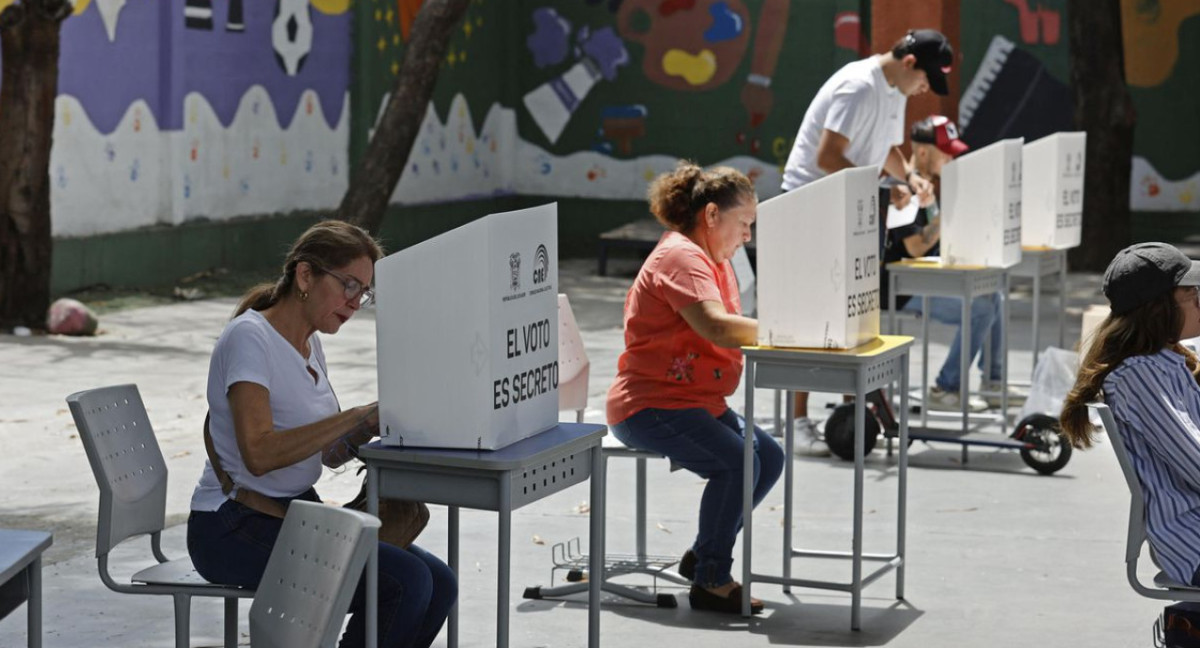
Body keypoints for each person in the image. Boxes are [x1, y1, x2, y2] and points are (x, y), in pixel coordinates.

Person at [186, 220, 456, 648]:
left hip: (292, 512)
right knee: (405, 582)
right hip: (233, 526)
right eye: (348, 285)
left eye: (364, 292)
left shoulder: (310, 343)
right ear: (305, 275)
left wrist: (366, 429)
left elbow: (324, 455)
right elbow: (258, 453)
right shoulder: (250, 339)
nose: (354, 302)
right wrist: (352, 416)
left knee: (440, 583)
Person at [607, 162, 784, 614]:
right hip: (649, 405)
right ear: (710, 216)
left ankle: (703, 553)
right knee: (737, 465)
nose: (747, 236)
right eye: (744, 224)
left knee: (769, 458)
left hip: (694, 400)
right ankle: (711, 579)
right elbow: (715, 325)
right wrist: (788, 329)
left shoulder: (710, 256)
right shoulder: (681, 256)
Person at [779, 29, 954, 453]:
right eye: (925, 80)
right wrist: (880, 186)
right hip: (810, 205)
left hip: (849, 205)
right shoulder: (857, 87)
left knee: (853, 308)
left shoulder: (894, 90)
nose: (924, 89)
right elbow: (827, 157)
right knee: (811, 314)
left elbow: (887, 148)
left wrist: (908, 177)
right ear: (909, 62)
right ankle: (796, 421)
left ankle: (851, 414)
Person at [1060, 242, 1200, 587]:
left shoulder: (1165, 361)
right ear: (1161, 308)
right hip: (1191, 540)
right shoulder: (1141, 374)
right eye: (1192, 294)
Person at [882, 115, 1010, 411]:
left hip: (926, 281)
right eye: (947, 152)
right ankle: (945, 388)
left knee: (995, 296)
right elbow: (914, 247)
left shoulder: (927, 186)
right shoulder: (901, 186)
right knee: (983, 306)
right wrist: (949, 213)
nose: (953, 158)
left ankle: (993, 380)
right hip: (899, 291)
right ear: (924, 152)